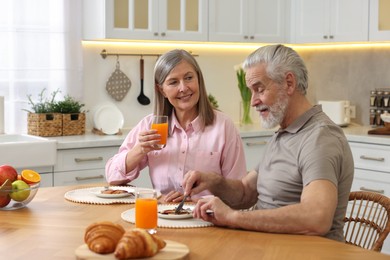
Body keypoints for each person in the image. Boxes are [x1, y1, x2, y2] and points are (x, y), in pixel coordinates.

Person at [182, 44, 354, 242]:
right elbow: (246, 193)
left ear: (289, 83)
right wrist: (213, 181)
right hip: (266, 245)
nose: (253, 101)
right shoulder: (284, 133)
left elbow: (317, 218)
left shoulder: (320, 138)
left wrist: (234, 217)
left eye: (259, 89)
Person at [105, 49, 247, 202]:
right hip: (163, 216)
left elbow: (238, 192)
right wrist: (139, 150)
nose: (183, 88)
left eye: (189, 78)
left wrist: (196, 201)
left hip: (210, 219)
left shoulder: (224, 127)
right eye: (173, 82)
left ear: (198, 79)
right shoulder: (150, 125)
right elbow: (112, 177)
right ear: (162, 90)